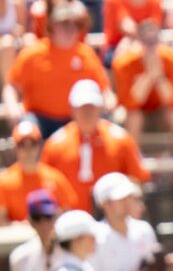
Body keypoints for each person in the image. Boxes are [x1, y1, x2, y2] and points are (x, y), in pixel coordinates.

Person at [3, 2, 110, 137]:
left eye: (75, 25)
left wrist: (108, 101)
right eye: (65, 25)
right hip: (39, 118)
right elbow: (11, 87)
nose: (70, 29)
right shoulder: (33, 54)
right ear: (51, 27)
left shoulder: (86, 54)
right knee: (27, 129)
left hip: (76, 119)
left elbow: (104, 89)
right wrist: (12, 107)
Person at [41, 79, 150, 211]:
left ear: (101, 108)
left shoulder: (120, 139)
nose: (87, 112)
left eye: (91, 106)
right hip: (69, 220)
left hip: (113, 221)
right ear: (72, 109)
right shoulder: (55, 144)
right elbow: (44, 185)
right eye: (82, 107)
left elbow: (138, 178)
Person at [111, 19, 173, 159]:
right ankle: (132, 168)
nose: (150, 46)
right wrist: (147, 76)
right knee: (135, 116)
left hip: (160, 112)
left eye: (154, 40)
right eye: (146, 41)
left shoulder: (172, 59)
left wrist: (158, 77)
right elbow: (130, 103)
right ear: (138, 41)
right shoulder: (124, 63)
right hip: (135, 114)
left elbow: (172, 100)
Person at [0, 121, 77, 223]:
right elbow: (1, 220)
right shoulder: (5, 181)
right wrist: (22, 226)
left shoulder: (55, 177)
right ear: (15, 148)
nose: (28, 150)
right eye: (22, 145)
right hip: (18, 237)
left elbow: (68, 213)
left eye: (33, 144)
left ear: (39, 146)